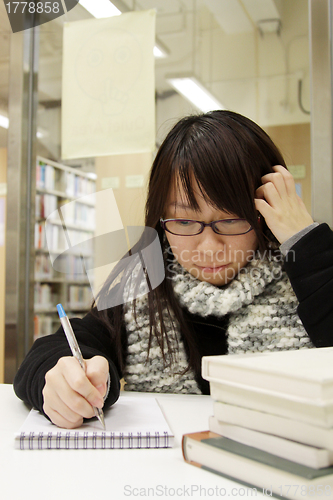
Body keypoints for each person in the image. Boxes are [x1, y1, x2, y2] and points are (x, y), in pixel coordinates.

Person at [14, 110, 333, 429]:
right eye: (183, 220)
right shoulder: (142, 278)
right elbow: (68, 345)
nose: (208, 247)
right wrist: (60, 379)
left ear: (266, 211)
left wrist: (305, 240)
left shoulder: (304, 271)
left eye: (232, 218)